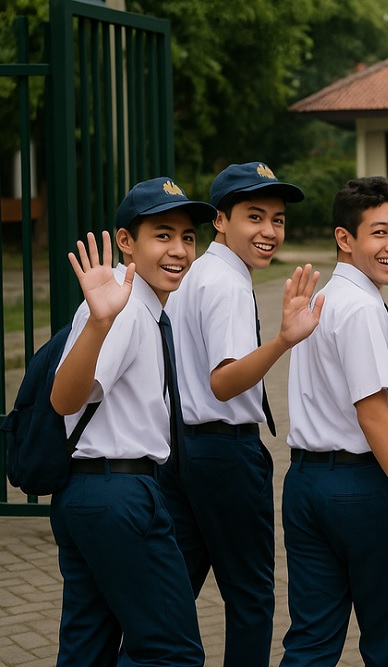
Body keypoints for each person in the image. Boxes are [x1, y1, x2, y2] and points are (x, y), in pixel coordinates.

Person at [281, 176, 388, 666]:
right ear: (345, 238)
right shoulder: (359, 307)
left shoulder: (326, 300)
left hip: (307, 485)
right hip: (362, 492)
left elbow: (382, 403)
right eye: (379, 233)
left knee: (311, 642)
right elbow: (374, 416)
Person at [160, 161, 324, 666]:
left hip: (181, 451)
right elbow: (225, 381)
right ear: (220, 221)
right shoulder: (227, 284)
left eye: (277, 220)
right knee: (251, 597)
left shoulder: (196, 273)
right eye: (255, 217)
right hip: (224, 455)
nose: (269, 231)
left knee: (172, 595)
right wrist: (282, 340)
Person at [49, 178, 216, 666]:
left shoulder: (144, 309)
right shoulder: (121, 311)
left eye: (188, 237)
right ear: (126, 242)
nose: (180, 250)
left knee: (89, 646)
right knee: (170, 650)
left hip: (94, 494)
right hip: (119, 495)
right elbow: (64, 398)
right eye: (163, 235)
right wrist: (100, 322)